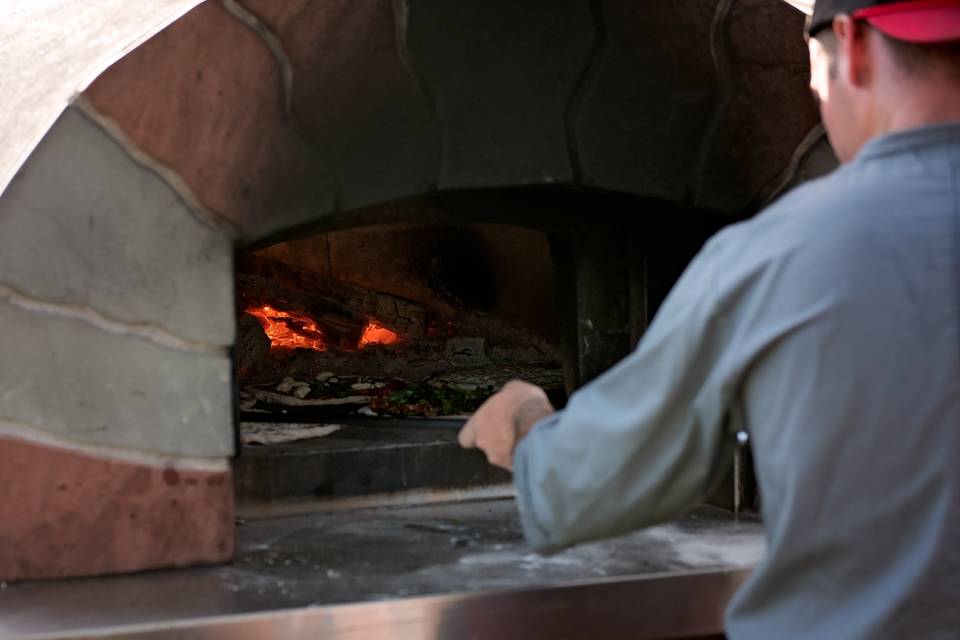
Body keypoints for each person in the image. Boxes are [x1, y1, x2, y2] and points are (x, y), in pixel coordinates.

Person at [458, 0, 960, 637]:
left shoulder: (778, 255)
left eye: (814, 70)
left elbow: (597, 481)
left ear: (852, 46)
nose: (812, 89)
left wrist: (527, 427)